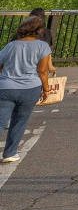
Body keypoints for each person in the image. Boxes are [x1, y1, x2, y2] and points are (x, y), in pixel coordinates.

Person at [0, 15, 54, 165]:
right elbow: (42, 71)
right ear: (39, 30)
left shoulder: (11, 46)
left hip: (6, 87)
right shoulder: (42, 46)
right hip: (30, 88)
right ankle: (10, 153)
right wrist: (46, 89)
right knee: (20, 121)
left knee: (1, 121)